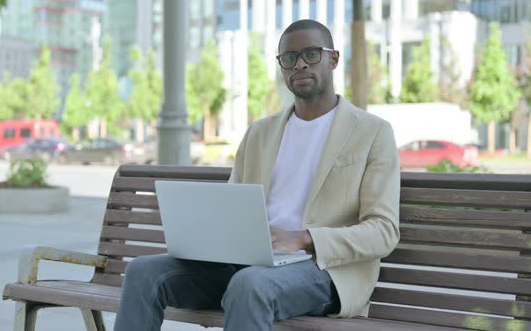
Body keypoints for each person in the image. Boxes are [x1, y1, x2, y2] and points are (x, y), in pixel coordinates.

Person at [113, 19, 400, 331]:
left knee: (251, 284)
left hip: (325, 270)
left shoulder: (372, 132)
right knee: (143, 271)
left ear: (333, 59)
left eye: (311, 54)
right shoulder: (260, 133)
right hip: (250, 264)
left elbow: (384, 231)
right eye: (289, 58)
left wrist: (305, 239)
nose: (300, 64)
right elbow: (232, 207)